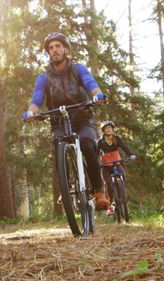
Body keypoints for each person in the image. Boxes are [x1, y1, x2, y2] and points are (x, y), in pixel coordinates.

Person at [21, 32, 109, 210]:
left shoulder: (78, 69)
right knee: (58, 144)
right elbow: (37, 99)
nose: (54, 50)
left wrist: (97, 95)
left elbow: (90, 83)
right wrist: (30, 113)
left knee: (87, 144)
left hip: (83, 118)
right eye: (51, 48)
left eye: (58, 46)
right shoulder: (44, 77)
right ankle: (66, 187)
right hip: (59, 121)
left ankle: (99, 191)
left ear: (65, 49)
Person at [97, 120, 136, 215]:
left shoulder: (117, 138)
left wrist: (131, 154)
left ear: (113, 129)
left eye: (110, 128)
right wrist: (95, 162)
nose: (109, 130)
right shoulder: (100, 141)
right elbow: (96, 153)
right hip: (105, 166)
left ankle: (123, 195)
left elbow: (124, 147)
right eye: (106, 128)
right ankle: (110, 206)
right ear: (103, 130)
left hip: (116, 164)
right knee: (108, 183)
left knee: (123, 175)